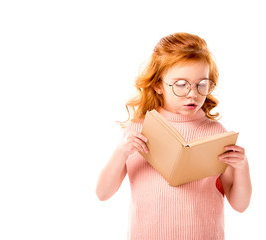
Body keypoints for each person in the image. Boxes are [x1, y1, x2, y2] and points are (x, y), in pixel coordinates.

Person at [96, 32, 252, 240]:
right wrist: (121, 151)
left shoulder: (216, 133)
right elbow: (102, 193)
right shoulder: (138, 130)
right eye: (180, 85)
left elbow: (240, 205)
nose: (192, 94)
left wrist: (242, 166)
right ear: (158, 85)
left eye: (202, 84)